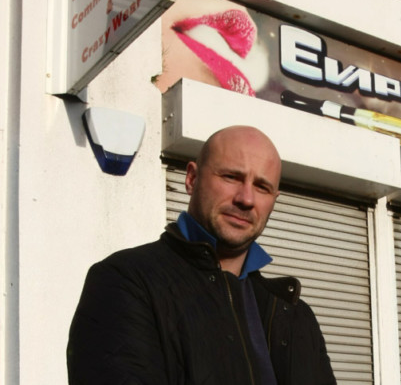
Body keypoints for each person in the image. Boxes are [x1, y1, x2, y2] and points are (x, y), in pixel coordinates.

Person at [67, 126, 336, 384]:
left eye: (262, 187)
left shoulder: (295, 314)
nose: (246, 198)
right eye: (231, 177)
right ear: (192, 179)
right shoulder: (127, 281)